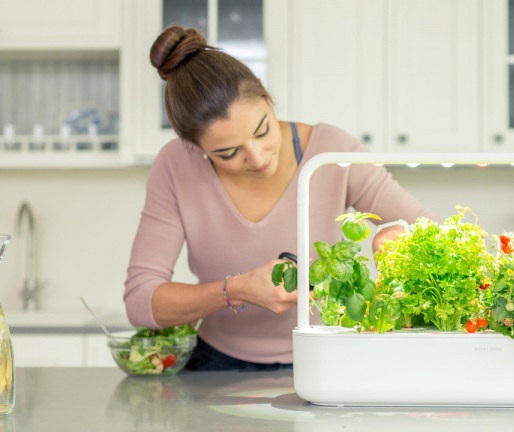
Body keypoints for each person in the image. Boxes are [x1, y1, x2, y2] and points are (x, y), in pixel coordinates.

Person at [123, 26, 436, 371]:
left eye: (263, 131)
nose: (257, 158)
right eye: (228, 153)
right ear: (195, 148)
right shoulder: (175, 165)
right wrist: (237, 289)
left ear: (269, 103)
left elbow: (430, 231)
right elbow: (140, 301)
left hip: (327, 356)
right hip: (216, 364)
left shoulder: (333, 152)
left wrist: (395, 243)